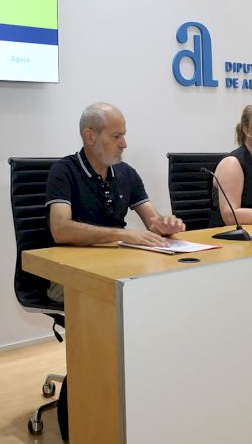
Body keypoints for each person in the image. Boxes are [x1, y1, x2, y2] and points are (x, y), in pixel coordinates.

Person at [45, 103, 185, 302]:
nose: (124, 144)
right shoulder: (63, 171)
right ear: (90, 136)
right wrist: (122, 234)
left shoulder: (126, 172)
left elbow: (153, 222)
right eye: (116, 136)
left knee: (164, 284)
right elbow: (60, 230)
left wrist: (165, 224)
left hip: (118, 264)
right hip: (73, 273)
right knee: (129, 297)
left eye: (124, 135)